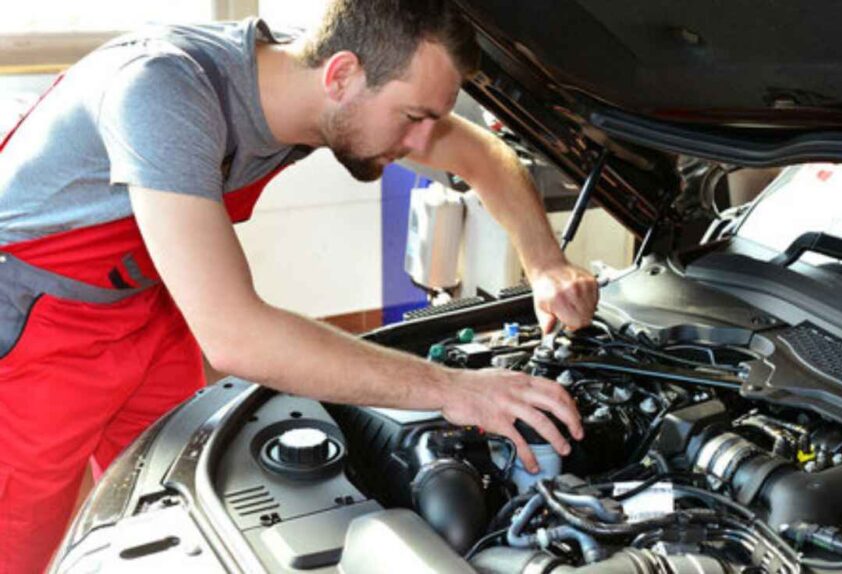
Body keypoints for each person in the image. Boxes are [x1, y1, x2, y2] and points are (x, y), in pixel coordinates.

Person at [0, 1, 599, 571]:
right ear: (341, 75)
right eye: (413, 117)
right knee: (17, 548)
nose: (422, 142)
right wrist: (453, 389)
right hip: (33, 326)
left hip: (148, 305)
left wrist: (545, 263)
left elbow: (485, 158)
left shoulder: (309, 85)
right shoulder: (164, 90)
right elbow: (237, 338)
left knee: (168, 514)